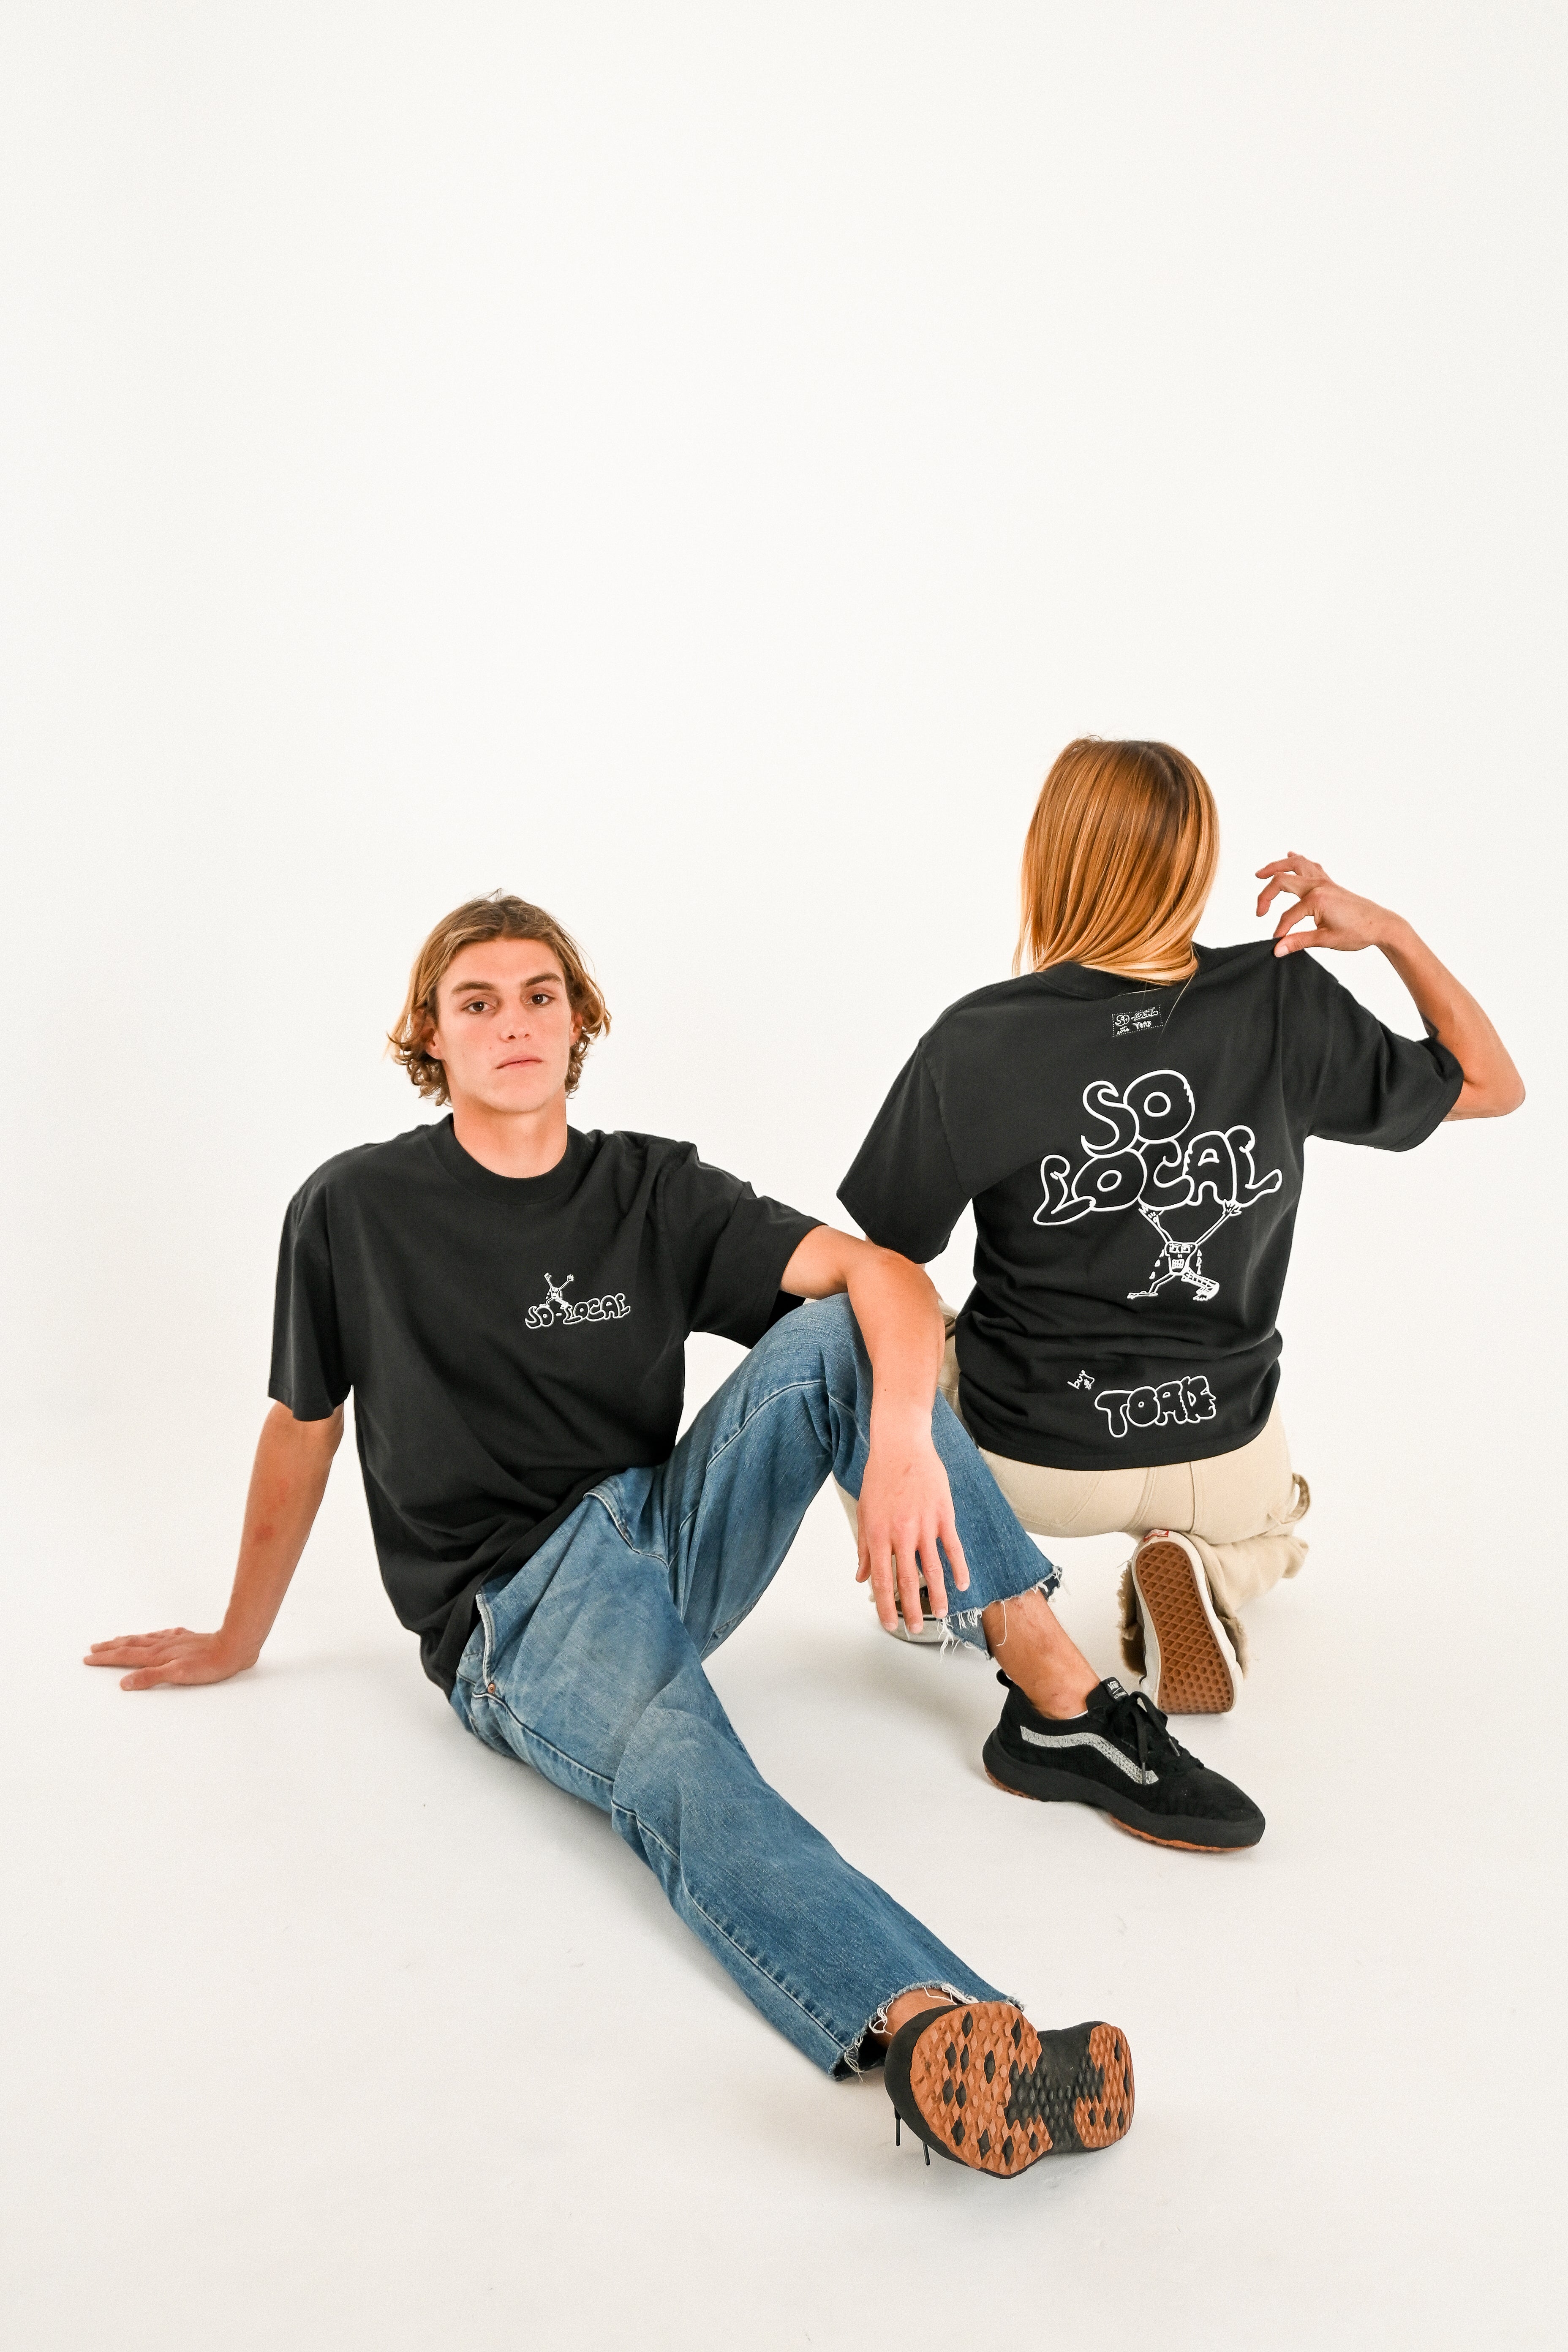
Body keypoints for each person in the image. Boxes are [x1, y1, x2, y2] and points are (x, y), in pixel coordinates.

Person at [84, 889, 1220, 2180]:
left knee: (840, 1329)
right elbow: (303, 1427)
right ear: (431, 1037)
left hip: (666, 1533)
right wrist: (237, 1637)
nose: (514, 1023)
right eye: (477, 1003)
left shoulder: (650, 1188)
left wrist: (902, 1444)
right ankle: (930, 2027)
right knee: (689, 1767)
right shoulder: (354, 1208)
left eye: (540, 996)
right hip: (516, 1610)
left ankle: (1057, 1703)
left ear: (579, 1022)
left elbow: (888, 1279)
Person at [839, 739, 1524, 1736]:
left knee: (847, 1336)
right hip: (1223, 1448)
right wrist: (1390, 934)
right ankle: (1205, 1567)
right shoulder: (1280, 1000)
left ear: (1049, 858)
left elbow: (882, 1256)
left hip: (1034, 1457)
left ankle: (938, 1583)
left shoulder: (976, 1039)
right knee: (1279, 1519)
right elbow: (1490, 1085)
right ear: (1196, 861)